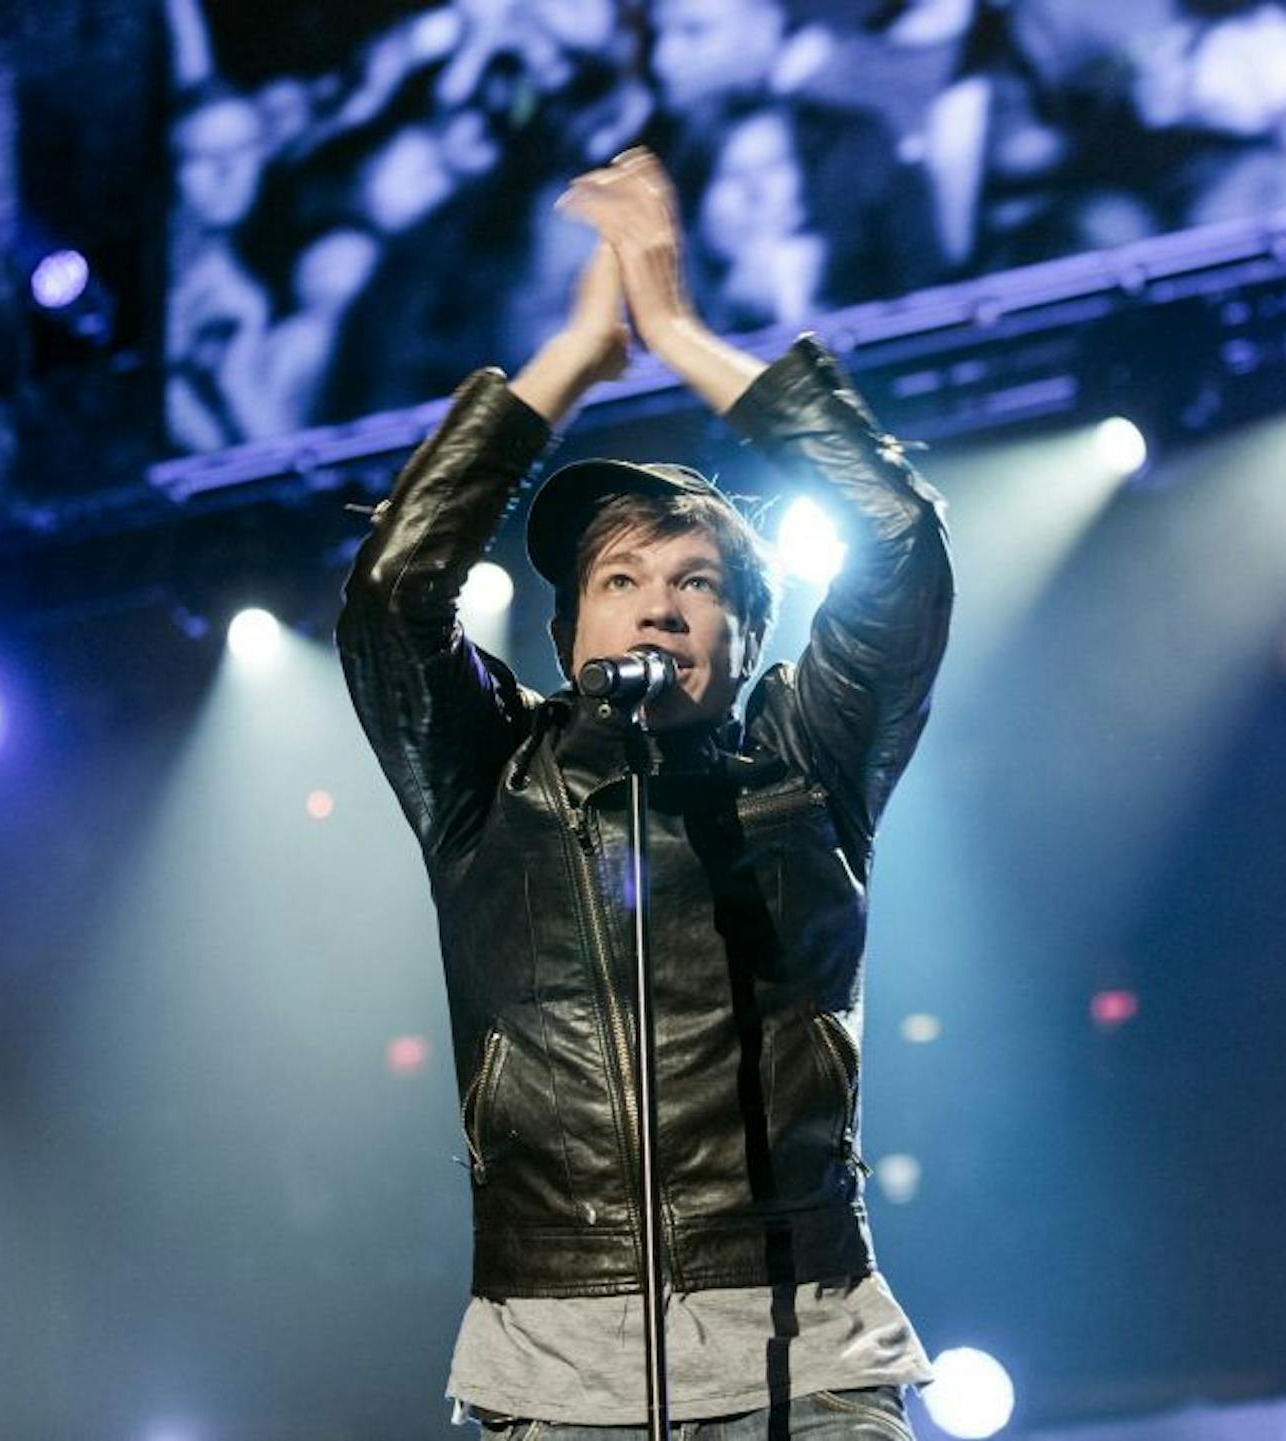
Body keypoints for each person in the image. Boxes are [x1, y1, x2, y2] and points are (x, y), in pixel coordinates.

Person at [336, 148, 952, 1436]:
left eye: (698, 582)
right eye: (619, 580)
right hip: (557, 1369)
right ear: (567, 637)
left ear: (741, 638)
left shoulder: (806, 763)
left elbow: (898, 541)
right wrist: (569, 362)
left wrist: (675, 332)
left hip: (806, 1351)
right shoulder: (483, 776)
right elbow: (394, 594)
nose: (659, 603)